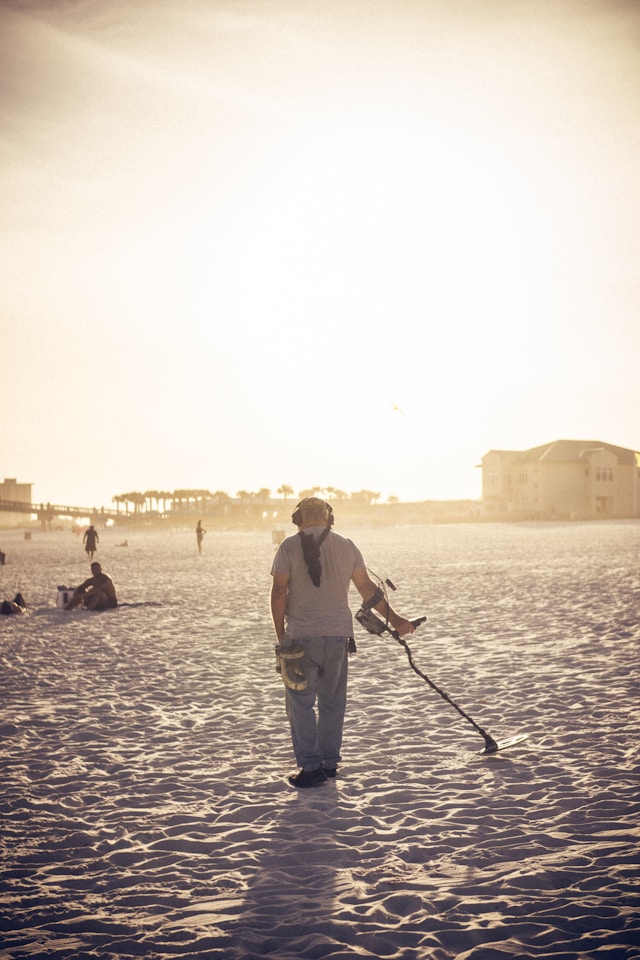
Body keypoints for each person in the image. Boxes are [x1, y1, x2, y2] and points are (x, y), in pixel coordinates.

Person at [270, 497, 415, 788]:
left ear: (298, 519)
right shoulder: (347, 545)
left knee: (300, 704)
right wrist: (396, 619)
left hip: (300, 637)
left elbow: (278, 593)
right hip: (338, 638)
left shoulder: (288, 546)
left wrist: (280, 633)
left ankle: (311, 769)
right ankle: (329, 763)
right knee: (333, 703)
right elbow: (367, 590)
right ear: (329, 518)